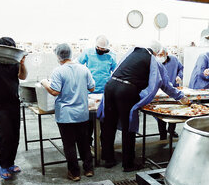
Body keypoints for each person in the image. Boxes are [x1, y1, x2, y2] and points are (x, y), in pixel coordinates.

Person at [98, 40, 189, 171]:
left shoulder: (132, 52)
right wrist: (181, 97)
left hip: (110, 86)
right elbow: (165, 84)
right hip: (126, 91)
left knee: (109, 124)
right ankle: (128, 164)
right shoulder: (153, 60)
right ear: (157, 52)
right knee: (128, 127)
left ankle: (108, 159)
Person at [40, 43, 95, 181]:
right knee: (84, 142)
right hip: (82, 114)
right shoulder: (84, 69)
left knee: (69, 144)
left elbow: (54, 91)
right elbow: (92, 88)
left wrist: (44, 83)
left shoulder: (58, 71)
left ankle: (74, 173)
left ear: (58, 56)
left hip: (66, 116)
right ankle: (88, 169)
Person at [0, 37, 27, 180]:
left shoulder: (14, 64)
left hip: (13, 103)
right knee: (4, 136)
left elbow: (23, 76)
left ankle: (11, 163)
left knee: (15, 136)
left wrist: (21, 63)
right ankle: (3, 165)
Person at [78, 35, 118, 147]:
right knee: (89, 122)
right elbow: (77, 65)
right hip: (90, 91)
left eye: (103, 49)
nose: (100, 50)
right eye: (98, 48)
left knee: (105, 122)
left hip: (105, 92)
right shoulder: (88, 53)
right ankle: (87, 145)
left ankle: (104, 146)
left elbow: (116, 71)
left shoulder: (111, 56)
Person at [155, 47, 184, 140]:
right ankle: (162, 134)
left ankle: (171, 130)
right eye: (158, 55)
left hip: (173, 90)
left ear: (166, 54)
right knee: (161, 112)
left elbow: (181, 69)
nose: (159, 57)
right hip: (160, 91)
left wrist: (179, 76)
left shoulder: (174, 60)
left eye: (161, 55)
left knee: (174, 111)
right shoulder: (155, 62)